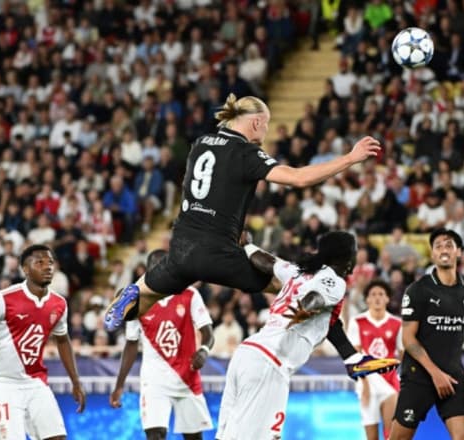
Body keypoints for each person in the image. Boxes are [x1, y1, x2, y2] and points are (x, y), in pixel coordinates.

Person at [104, 93, 381, 331]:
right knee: (287, 284)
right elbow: (298, 179)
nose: (266, 131)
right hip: (216, 252)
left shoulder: (201, 142)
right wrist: (350, 158)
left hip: (180, 247)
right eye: (266, 124)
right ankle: (313, 337)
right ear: (256, 122)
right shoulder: (245, 153)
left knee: (143, 300)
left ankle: (131, 292)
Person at [216, 232, 400, 440]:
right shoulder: (335, 281)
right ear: (345, 257)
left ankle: (352, 358)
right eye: (354, 252)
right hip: (270, 364)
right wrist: (305, 307)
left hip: (246, 353)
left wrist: (248, 246)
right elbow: (315, 298)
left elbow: (268, 262)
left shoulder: (299, 271)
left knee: (226, 436)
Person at [0, 244, 86, 440]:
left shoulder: (59, 303)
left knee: (57, 437)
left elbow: (63, 341)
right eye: (39, 262)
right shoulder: (4, 298)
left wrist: (76, 381)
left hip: (36, 382)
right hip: (3, 384)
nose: (47, 267)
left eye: (50, 262)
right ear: (25, 269)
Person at [389, 228, 464, 440]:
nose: (444, 250)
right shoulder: (418, 290)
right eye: (438, 246)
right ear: (432, 253)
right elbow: (408, 339)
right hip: (419, 375)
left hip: (452, 375)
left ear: (458, 252)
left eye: (449, 245)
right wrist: (435, 374)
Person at [109, 249, 214, 440]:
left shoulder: (190, 294)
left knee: (194, 437)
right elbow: (131, 344)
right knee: (155, 435)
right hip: (154, 379)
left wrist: (204, 350)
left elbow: (208, 332)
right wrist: (119, 384)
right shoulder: (137, 301)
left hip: (186, 378)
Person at [348, 280, 403, 440]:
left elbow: (403, 353)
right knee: (371, 436)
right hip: (368, 382)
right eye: (373, 294)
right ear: (367, 299)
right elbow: (355, 356)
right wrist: (364, 384)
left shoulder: (397, 323)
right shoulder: (357, 322)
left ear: (387, 299)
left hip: (390, 382)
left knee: (391, 434)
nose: (377, 298)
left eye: (381, 294)